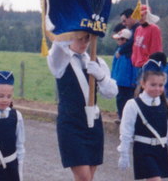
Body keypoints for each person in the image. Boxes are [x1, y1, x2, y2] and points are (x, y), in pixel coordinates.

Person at [47, 31, 118, 181]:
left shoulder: (96, 61)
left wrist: (101, 76)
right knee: (84, 177)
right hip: (71, 124)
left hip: (93, 124)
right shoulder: (60, 59)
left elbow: (111, 92)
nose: (84, 43)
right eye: (79, 38)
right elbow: (58, 42)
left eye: (87, 38)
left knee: (88, 178)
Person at [117, 60, 168, 180]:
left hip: (160, 151)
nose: (157, 89)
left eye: (160, 85)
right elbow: (126, 132)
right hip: (143, 150)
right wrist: (124, 153)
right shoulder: (133, 105)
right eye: (153, 85)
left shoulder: (166, 105)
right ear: (143, 84)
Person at [110, 25, 136, 122]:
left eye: (119, 39)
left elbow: (134, 68)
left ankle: (127, 118)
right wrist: (112, 77)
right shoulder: (118, 51)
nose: (118, 41)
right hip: (118, 81)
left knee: (127, 101)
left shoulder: (131, 53)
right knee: (119, 100)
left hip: (128, 83)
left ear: (125, 40)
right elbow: (114, 65)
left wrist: (133, 80)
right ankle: (121, 116)